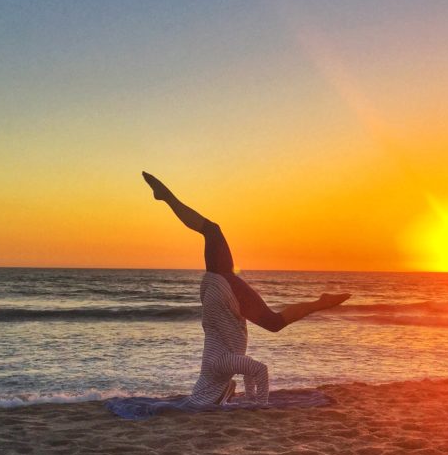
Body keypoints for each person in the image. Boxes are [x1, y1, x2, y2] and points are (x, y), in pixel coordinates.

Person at [142, 171, 349, 406]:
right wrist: (257, 404)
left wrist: (256, 403)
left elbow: (256, 370)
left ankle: (167, 197)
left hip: (220, 293)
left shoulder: (218, 366)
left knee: (212, 231)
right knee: (273, 322)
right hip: (218, 295)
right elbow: (254, 370)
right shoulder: (218, 367)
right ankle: (320, 303)